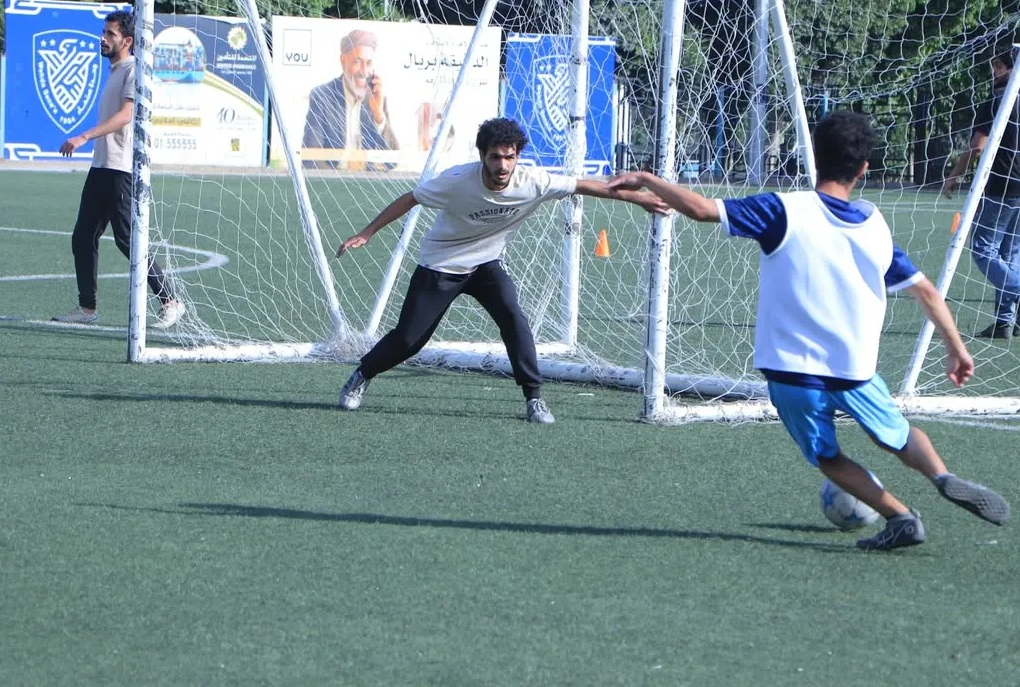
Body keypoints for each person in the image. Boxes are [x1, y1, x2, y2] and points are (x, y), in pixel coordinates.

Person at [609, 110, 1010, 550]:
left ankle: (900, 516)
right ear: (863, 169)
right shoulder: (874, 228)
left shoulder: (783, 209)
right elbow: (928, 293)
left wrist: (647, 177)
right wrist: (957, 349)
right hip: (854, 368)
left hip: (792, 370)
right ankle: (941, 475)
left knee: (827, 456)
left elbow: (702, 209)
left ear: (814, 158)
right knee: (897, 436)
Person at [335, 117, 669, 424]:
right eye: (495, 157)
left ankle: (534, 398)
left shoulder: (533, 182)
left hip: (486, 264)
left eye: (509, 157)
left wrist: (639, 199)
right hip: (441, 264)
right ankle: (362, 375)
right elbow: (411, 199)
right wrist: (367, 232)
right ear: (482, 156)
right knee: (409, 340)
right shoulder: (455, 182)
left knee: (513, 318)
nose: (502, 165)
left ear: (518, 156)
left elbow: (587, 186)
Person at [53, 10, 185, 329]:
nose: (103, 38)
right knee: (83, 238)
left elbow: (127, 114)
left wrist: (84, 135)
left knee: (128, 239)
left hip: (121, 169)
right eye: (104, 32)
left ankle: (170, 300)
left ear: (126, 41)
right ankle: (87, 310)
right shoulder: (115, 70)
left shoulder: (134, 69)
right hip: (101, 167)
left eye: (110, 34)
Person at [942, 50, 1020, 339]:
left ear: (1013, 69)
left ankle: (1015, 291)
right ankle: (1005, 322)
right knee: (1009, 253)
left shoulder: (999, 100)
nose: (994, 73)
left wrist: (956, 173)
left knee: (983, 248)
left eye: (998, 67)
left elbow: (976, 146)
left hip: (1002, 185)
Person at [302, 29, 399, 171]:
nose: (364, 71)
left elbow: (392, 162)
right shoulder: (322, 96)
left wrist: (378, 116)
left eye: (369, 63)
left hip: (368, 185)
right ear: (343, 61)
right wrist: (340, 182)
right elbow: (310, 158)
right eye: (357, 62)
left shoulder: (377, 98)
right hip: (332, 184)